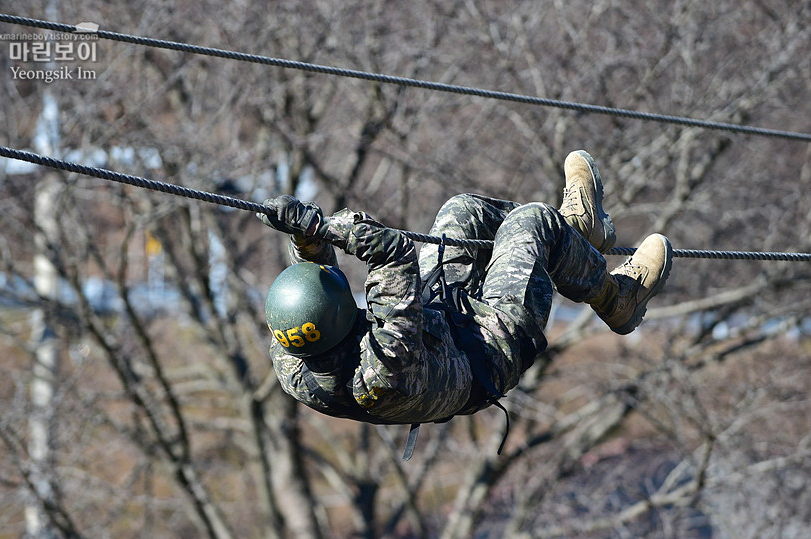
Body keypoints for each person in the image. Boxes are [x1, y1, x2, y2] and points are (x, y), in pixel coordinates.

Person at [258, 151, 671, 451]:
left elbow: (321, 283)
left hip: (438, 323)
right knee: (533, 223)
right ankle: (617, 299)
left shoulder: (292, 355)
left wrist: (305, 238)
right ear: (343, 321)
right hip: (488, 351)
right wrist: (332, 227)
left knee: (464, 211)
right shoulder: (383, 364)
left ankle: (574, 234)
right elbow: (392, 254)